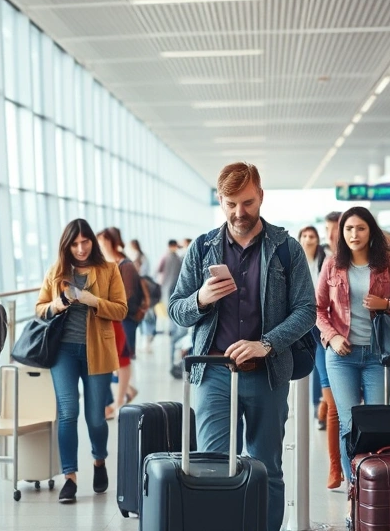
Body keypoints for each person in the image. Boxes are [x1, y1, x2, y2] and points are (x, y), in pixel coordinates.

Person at [169, 162, 316, 531]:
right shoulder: (202, 248)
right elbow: (176, 309)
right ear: (220, 200)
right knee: (213, 467)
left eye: (247, 202)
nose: (239, 212)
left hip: (267, 373)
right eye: (231, 203)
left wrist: (266, 344)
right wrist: (200, 299)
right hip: (213, 374)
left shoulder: (286, 249)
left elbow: (307, 310)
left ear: (261, 196)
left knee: (267, 467)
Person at [316, 207, 390, 498]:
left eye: (360, 228)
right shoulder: (332, 264)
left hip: (378, 356)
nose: (354, 234)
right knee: (350, 425)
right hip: (341, 356)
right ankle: (355, 490)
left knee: (376, 425)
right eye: (348, 229)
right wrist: (333, 336)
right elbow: (318, 309)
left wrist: (386, 304)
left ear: (371, 231)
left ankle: (374, 487)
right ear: (341, 233)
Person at [35, 219, 128, 503]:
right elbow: (40, 309)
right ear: (66, 245)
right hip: (63, 351)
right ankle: (70, 478)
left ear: (92, 241)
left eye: (84, 242)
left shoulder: (109, 270)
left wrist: (92, 300)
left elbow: (121, 310)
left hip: (97, 349)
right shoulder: (56, 271)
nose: (80, 248)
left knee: (96, 416)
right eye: (74, 244)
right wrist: (57, 304)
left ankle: (99, 460)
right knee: (68, 412)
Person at [299, 225, 341, 487]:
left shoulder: (325, 259)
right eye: (305, 235)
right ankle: (321, 405)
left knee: (322, 366)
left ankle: (322, 405)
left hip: (328, 323)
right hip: (308, 322)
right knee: (318, 367)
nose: (308, 239)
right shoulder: (297, 259)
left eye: (312, 235)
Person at [97, 227, 142, 419]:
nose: (99, 245)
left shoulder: (125, 265)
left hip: (124, 320)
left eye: (102, 241)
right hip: (109, 320)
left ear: (110, 241)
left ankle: (118, 400)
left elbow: (128, 297)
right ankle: (120, 396)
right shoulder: (105, 265)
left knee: (121, 360)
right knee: (109, 361)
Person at [157, 239, 188, 378]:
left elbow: (158, 270)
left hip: (167, 290)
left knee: (172, 321)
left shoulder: (165, 257)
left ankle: (173, 358)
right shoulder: (178, 258)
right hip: (176, 291)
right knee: (176, 325)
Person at [129, 239, 156, 353]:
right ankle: (147, 339)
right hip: (143, 291)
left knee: (146, 316)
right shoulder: (142, 256)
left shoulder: (138, 257)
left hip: (142, 292)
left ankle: (146, 340)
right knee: (147, 317)